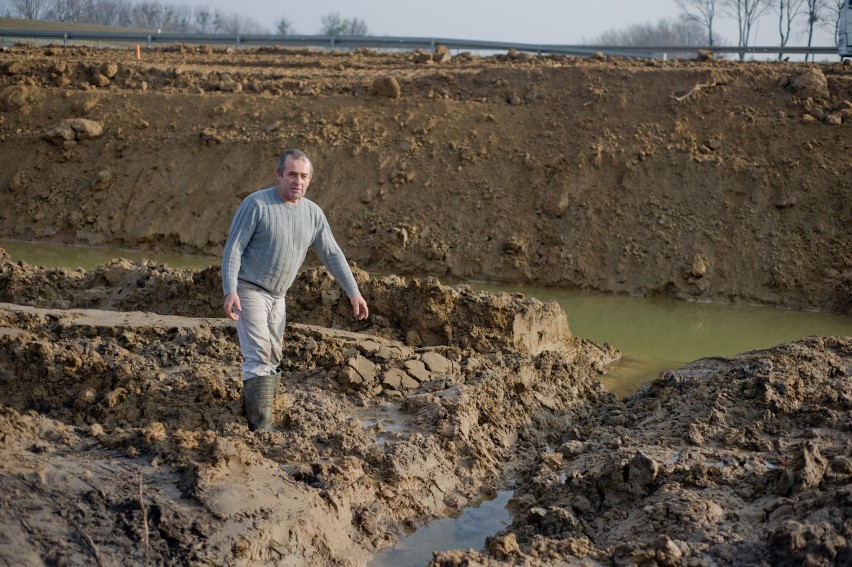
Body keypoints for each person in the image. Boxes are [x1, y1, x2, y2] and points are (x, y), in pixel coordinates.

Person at [222, 149, 369, 431]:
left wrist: (354, 292)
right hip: (249, 289)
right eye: (291, 174)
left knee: (274, 355)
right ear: (279, 175)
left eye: (303, 176)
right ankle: (261, 427)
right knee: (259, 354)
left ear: (309, 180)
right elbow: (234, 248)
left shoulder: (313, 214)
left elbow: (332, 253)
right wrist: (230, 289)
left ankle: (261, 408)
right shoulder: (257, 205)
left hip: (279, 296)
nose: (297, 181)